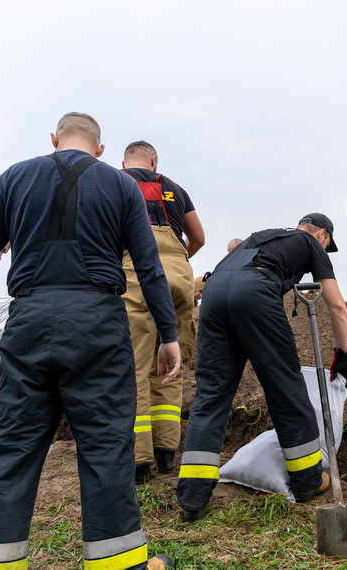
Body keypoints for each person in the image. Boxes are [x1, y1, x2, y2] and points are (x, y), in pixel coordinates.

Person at [0, 113, 178, 570]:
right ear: (101, 149)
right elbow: (149, 268)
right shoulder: (122, 186)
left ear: (54, 140)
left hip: (28, 321)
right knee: (107, 444)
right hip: (99, 325)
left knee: (12, 447)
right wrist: (168, 334)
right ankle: (119, 563)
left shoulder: (14, 177)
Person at [177, 213, 347, 520]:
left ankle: (192, 496)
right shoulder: (312, 244)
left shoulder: (262, 236)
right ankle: (308, 479)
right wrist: (344, 354)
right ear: (323, 235)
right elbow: (337, 306)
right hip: (256, 289)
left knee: (211, 395)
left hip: (215, 292)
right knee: (286, 388)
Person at [121, 140, 205, 483]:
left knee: (136, 367)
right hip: (179, 275)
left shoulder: (117, 182)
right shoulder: (175, 188)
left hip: (137, 273)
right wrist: (176, 260)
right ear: (153, 160)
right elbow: (198, 237)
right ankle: (167, 452)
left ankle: (140, 461)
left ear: (124, 163)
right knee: (171, 364)